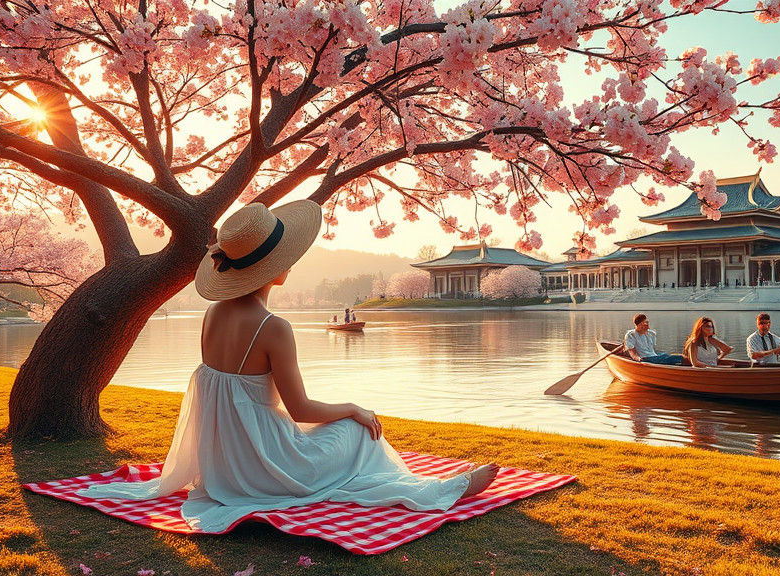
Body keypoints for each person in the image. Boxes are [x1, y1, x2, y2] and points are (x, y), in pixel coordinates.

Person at [77, 201, 497, 532]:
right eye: (284, 254)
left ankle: (421, 483)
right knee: (356, 430)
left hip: (224, 466)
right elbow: (300, 411)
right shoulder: (272, 327)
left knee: (343, 430)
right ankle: (439, 491)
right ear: (271, 269)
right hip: (268, 466)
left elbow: (234, 397)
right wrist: (352, 407)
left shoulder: (213, 314)